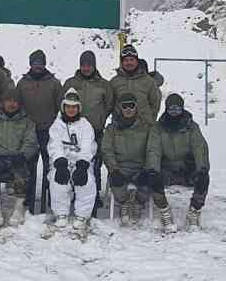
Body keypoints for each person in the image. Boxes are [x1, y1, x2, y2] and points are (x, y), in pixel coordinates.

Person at [146, 93, 210, 232]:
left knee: (203, 178)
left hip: (187, 167)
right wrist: (153, 168)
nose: (174, 112)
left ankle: (194, 210)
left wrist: (202, 167)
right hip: (167, 167)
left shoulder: (191, 127)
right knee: (153, 177)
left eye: (177, 109)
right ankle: (164, 210)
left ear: (182, 109)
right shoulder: (158, 128)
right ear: (166, 109)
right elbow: (154, 150)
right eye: (171, 109)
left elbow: (200, 148)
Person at [0, 89, 38, 229]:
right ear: (3, 102)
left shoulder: (27, 122)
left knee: (22, 174)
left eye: (15, 101)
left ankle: (19, 209)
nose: (12, 104)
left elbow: (31, 142)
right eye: (8, 101)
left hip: (17, 157)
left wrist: (23, 155)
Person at [63, 50, 113, 211]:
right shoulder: (70, 83)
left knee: (94, 164)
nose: (86, 68)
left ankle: (94, 194)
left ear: (94, 65)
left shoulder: (104, 85)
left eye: (89, 65)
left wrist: (100, 119)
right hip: (73, 131)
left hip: (95, 131)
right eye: (83, 65)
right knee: (73, 161)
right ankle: (72, 192)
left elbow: (109, 105)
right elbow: (62, 104)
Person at [16, 49, 62, 213]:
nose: (38, 66)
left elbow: (60, 108)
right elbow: (17, 107)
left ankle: (51, 201)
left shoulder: (54, 83)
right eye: (35, 63)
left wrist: (56, 126)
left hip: (48, 131)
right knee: (29, 168)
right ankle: (27, 202)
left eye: (41, 63)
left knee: (51, 167)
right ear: (30, 64)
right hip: (29, 132)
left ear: (44, 64)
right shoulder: (22, 84)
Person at [47, 88, 97, 234]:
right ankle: (61, 213)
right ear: (63, 107)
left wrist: (82, 164)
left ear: (78, 108)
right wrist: (60, 162)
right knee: (58, 182)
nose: (71, 109)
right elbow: (54, 144)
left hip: (81, 162)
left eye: (74, 107)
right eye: (68, 106)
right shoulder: (57, 125)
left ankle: (82, 215)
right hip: (62, 161)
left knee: (86, 182)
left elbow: (88, 145)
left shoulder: (85, 125)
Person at [102, 93, 151, 226]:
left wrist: (147, 168)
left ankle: (138, 203)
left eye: (131, 105)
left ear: (136, 107)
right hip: (120, 167)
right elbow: (107, 150)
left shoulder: (146, 128)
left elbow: (152, 150)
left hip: (140, 167)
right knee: (117, 185)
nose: (128, 109)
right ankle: (124, 203)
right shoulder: (112, 129)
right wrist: (114, 169)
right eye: (125, 106)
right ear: (120, 108)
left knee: (148, 183)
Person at [111, 44, 162, 125]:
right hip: (120, 128)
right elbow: (110, 103)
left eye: (132, 60)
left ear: (137, 61)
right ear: (122, 62)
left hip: (144, 127)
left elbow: (155, 104)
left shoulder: (149, 81)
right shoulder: (115, 82)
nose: (129, 63)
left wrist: (149, 119)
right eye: (126, 60)